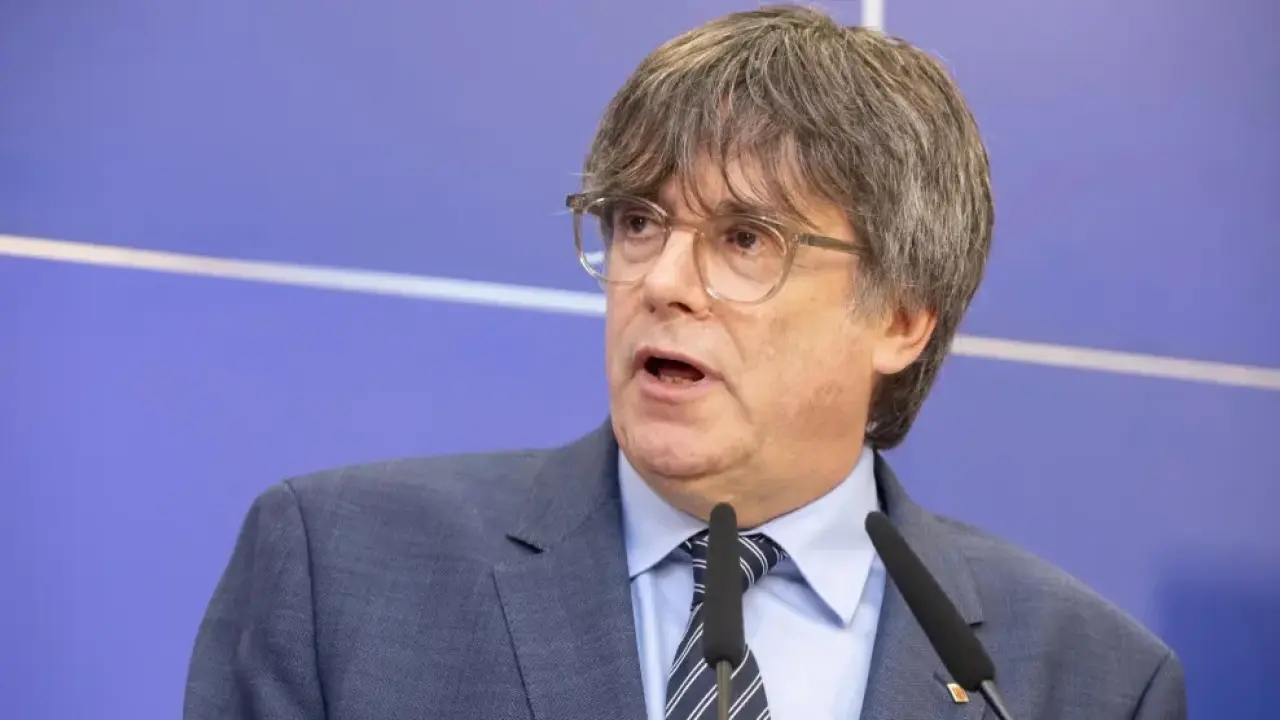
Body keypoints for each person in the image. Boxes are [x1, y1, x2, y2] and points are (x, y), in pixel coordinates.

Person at [183, 5, 1186, 719]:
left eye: (745, 239)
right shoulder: (342, 572)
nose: (662, 281)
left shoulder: (1083, 680)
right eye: (637, 222)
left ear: (901, 317)